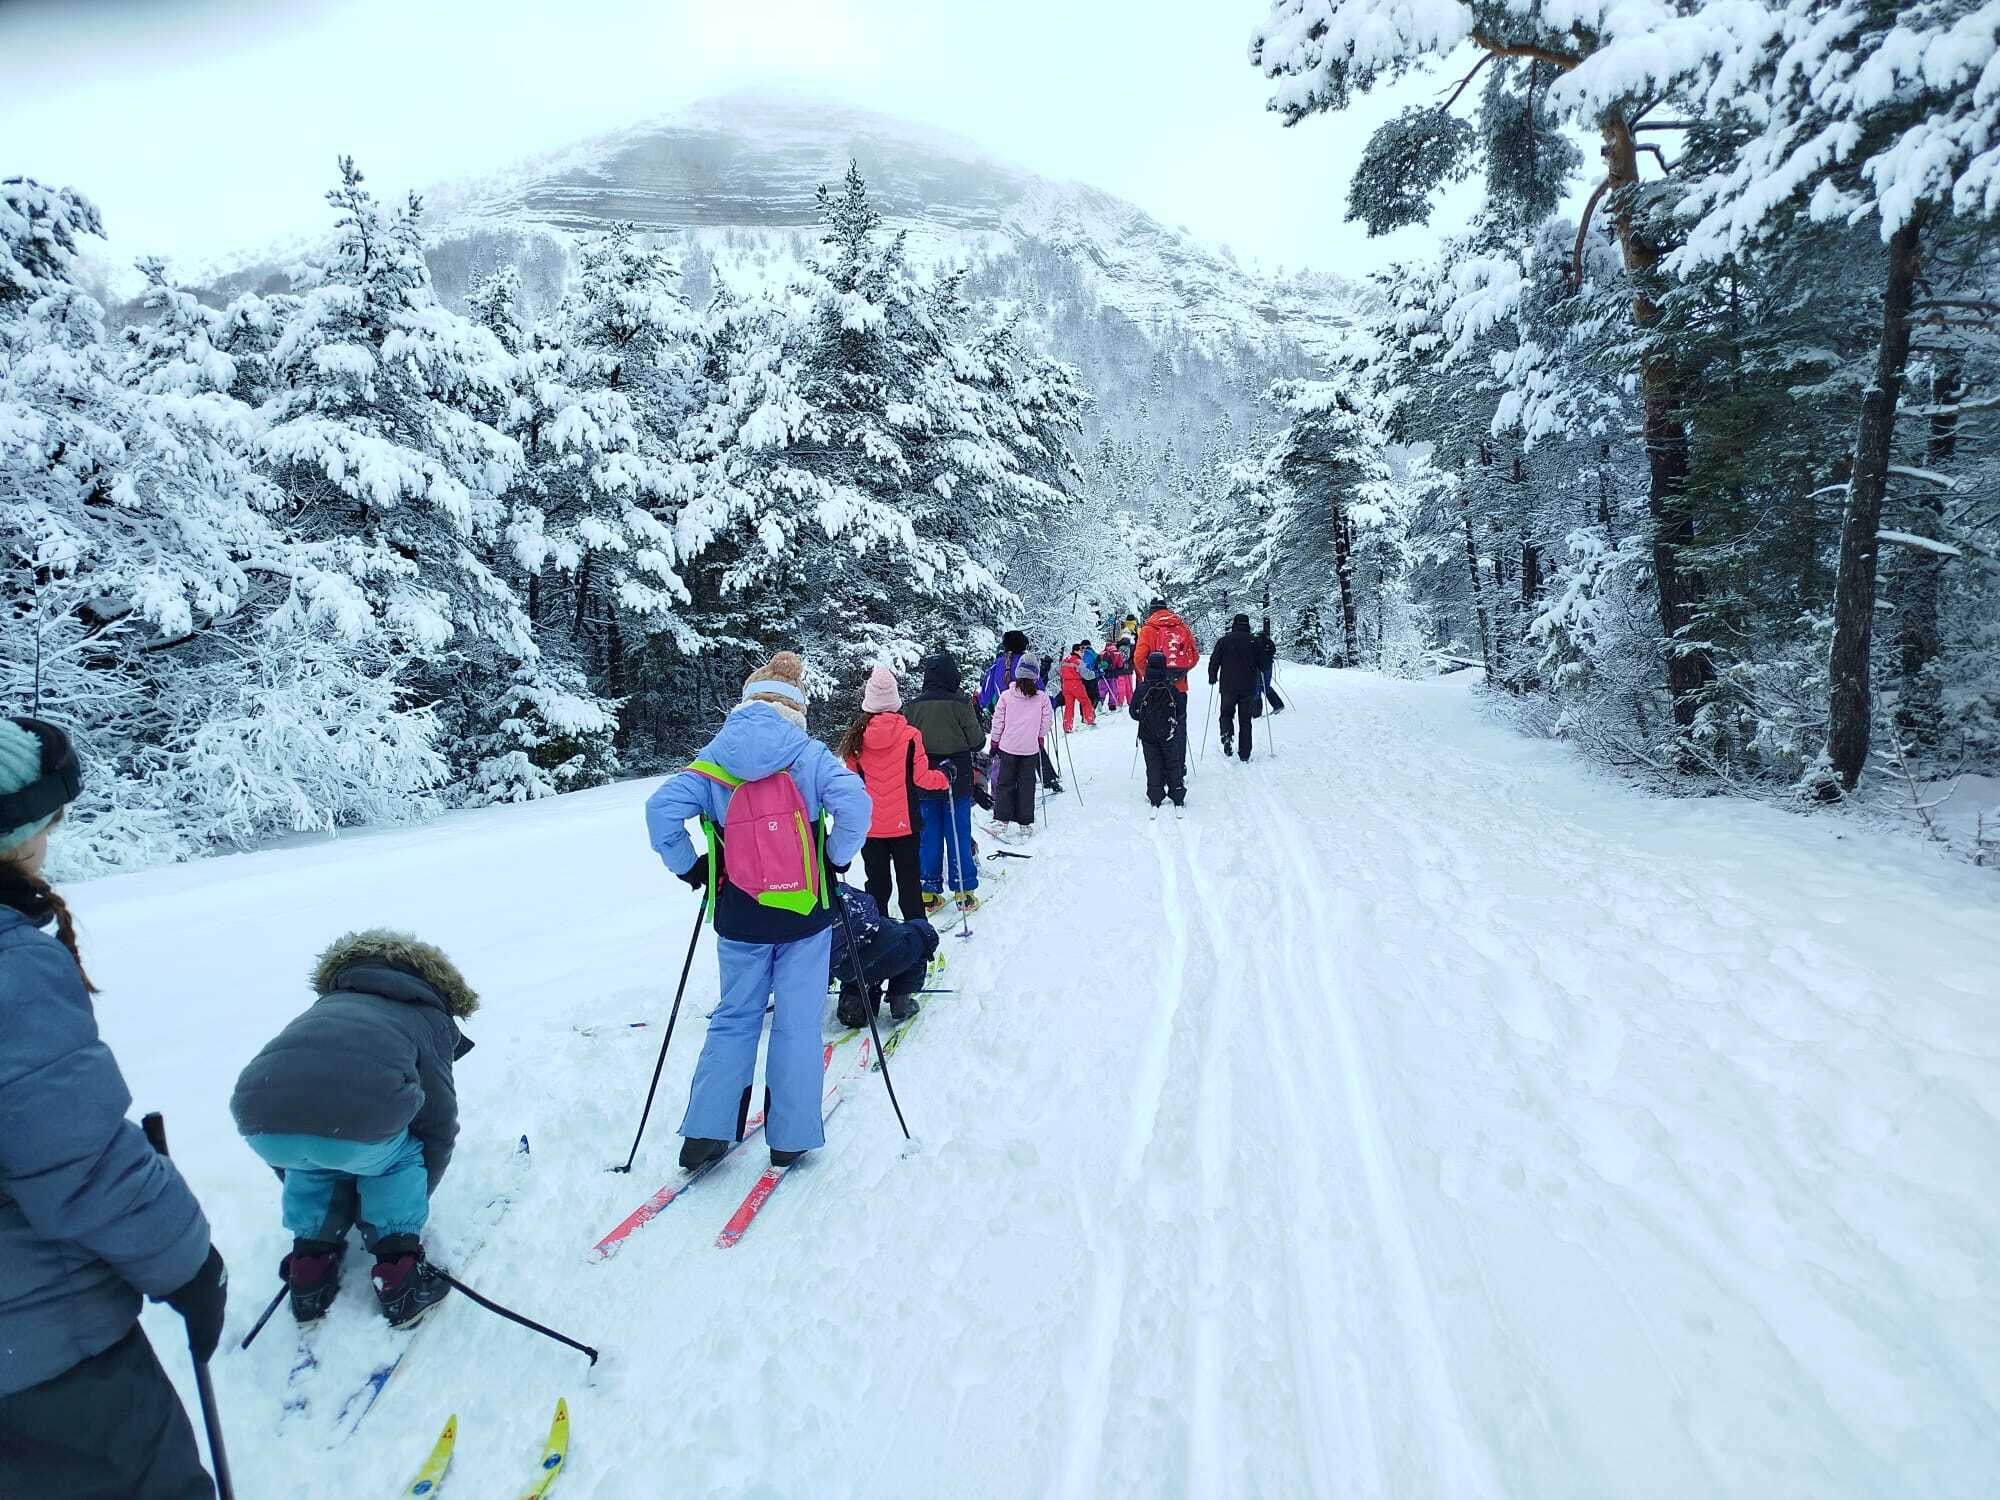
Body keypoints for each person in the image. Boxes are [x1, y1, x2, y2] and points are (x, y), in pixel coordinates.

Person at [0, 716, 226, 1500]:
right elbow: (79, 1161)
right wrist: (187, 1262)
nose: (50, 839)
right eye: (46, 821)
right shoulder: (10, 967)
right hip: (45, 1364)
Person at [646, 651, 871, 1170]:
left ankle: (705, 1133)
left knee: (734, 1018)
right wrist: (835, 858)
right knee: (797, 1022)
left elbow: (659, 810)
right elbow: (856, 805)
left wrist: (692, 869)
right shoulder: (809, 755)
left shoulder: (714, 758)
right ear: (796, 709)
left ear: (745, 705)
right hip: (805, 912)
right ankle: (790, 1137)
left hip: (739, 913)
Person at [230, 930, 477, 1328]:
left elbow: (303, 1137)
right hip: (351, 1118)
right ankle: (400, 1277)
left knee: (314, 1157)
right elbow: (437, 1125)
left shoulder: (330, 1002)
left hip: (258, 1114)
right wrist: (407, 1206)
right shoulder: (427, 1016)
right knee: (399, 1157)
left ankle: (310, 1269)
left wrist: (314, 1172)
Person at [839, 666, 949, 922]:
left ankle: (881, 937)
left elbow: (852, 785)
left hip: (871, 828)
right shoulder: (910, 736)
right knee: (909, 885)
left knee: (877, 887)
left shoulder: (855, 740)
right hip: (905, 826)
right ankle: (919, 938)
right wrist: (946, 777)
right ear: (895, 700)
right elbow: (922, 779)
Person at [902, 650, 985, 915]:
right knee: (958, 832)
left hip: (923, 777)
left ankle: (928, 889)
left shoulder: (912, 706)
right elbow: (977, 741)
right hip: (956, 778)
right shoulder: (960, 703)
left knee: (928, 836)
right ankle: (964, 890)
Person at [828, 884, 939, 1029]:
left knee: (862, 964)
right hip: (884, 950)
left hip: (845, 965)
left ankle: (853, 1005)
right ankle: (901, 999)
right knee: (920, 935)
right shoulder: (835, 889)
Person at [986, 658, 1055, 839]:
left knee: (1005, 783)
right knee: (1027, 785)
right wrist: (1039, 735)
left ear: (1018, 673)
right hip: (1030, 749)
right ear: (1035, 676)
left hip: (1008, 747)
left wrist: (995, 741)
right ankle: (1025, 823)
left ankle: (1002, 821)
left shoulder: (1006, 696)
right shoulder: (1042, 698)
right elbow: (1047, 721)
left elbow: (998, 721)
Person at [1130, 651, 1188, 816]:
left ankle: (1155, 795)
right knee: (1172, 762)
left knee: (1153, 764)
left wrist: (1145, 719)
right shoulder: (1171, 688)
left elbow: (1133, 712)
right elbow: (1181, 710)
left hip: (1148, 734)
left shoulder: (1142, 688)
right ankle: (1177, 794)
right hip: (1169, 732)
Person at [1133, 597, 1201, 731]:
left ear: (1151, 611)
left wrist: (1149, 676)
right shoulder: (1183, 627)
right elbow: (1194, 656)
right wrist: (1181, 671)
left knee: (1154, 725)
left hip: (1155, 688)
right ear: (1166, 609)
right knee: (1179, 724)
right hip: (1179, 686)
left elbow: (1138, 659)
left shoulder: (1148, 629)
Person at [1209, 612, 1264, 763]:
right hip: (1248, 687)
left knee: (1226, 714)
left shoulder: (1224, 641)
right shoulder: (1254, 642)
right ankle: (1245, 753)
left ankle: (1226, 735)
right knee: (1245, 720)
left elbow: (1214, 660)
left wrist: (1212, 676)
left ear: (1234, 624)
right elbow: (1264, 664)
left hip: (1228, 686)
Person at [977, 630, 1038, 712]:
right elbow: (1040, 691)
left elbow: (986, 695)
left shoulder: (997, 665)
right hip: (1028, 714)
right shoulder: (1029, 665)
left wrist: (979, 702)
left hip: (1004, 714)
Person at [1059, 644, 1096, 733]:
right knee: (1085, 701)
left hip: (1065, 685)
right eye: (1081, 651)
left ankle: (1067, 726)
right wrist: (1095, 674)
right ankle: (1089, 720)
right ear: (1075, 651)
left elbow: (1057, 671)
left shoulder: (1064, 660)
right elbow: (1086, 675)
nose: (1082, 653)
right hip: (1076, 683)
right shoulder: (1078, 661)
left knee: (1069, 706)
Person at [1256, 618, 1287, 714]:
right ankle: (1278, 704)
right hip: (1268, 666)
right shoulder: (1268, 641)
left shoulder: (1255, 642)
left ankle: (1257, 713)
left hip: (1258, 667)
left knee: (1257, 687)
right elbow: (1273, 651)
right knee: (1265, 686)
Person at [1079, 640, 1102, 709]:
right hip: (1094, 675)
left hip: (1086, 677)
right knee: (1094, 693)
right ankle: (1094, 707)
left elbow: (1084, 665)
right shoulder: (1094, 652)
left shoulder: (1085, 653)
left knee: (1086, 695)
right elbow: (1099, 663)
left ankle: (1086, 711)